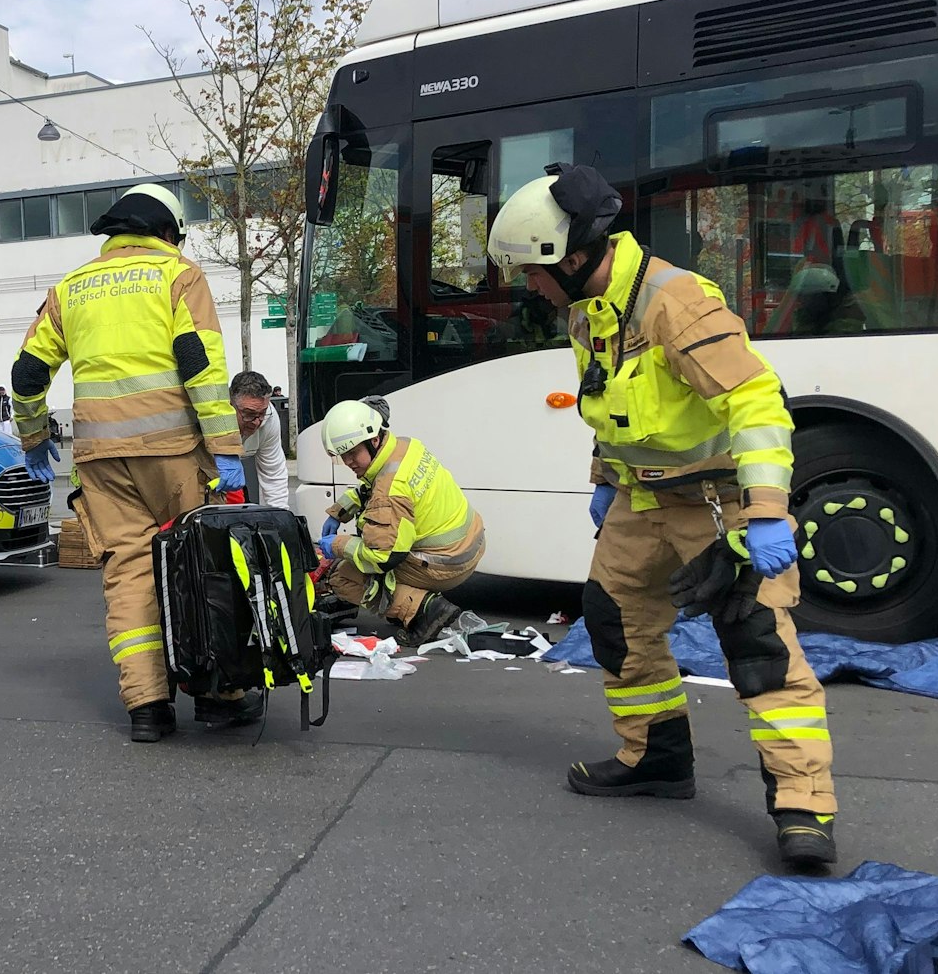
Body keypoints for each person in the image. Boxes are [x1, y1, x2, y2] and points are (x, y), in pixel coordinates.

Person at [488, 163, 837, 869]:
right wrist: (603, 477)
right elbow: (611, 406)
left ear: (574, 255)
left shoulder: (674, 302)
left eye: (531, 270)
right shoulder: (589, 310)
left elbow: (756, 401)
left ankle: (803, 805)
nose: (527, 284)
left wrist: (766, 512)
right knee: (615, 620)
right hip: (639, 499)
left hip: (715, 502)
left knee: (760, 645)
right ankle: (655, 757)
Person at [11, 183, 248, 742]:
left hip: (99, 459)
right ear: (166, 231)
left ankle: (147, 706)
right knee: (201, 565)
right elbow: (200, 367)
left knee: (130, 573)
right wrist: (227, 448)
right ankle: (217, 697)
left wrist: (32, 437)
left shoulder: (71, 287)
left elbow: (26, 374)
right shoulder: (178, 274)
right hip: (173, 451)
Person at [313, 401, 483, 647]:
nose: (348, 462)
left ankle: (424, 610)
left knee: (342, 575)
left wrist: (338, 545)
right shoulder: (403, 446)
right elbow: (372, 487)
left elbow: (384, 556)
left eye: (352, 453)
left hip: (446, 562)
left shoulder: (390, 491)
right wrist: (339, 512)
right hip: (468, 540)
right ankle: (411, 599)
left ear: (373, 441)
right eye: (342, 456)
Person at [228, 371, 289, 508]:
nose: (256, 422)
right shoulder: (215, 416)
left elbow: (274, 475)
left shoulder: (270, 418)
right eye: (249, 414)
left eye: (262, 413)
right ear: (230, 404)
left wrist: (280, 518)